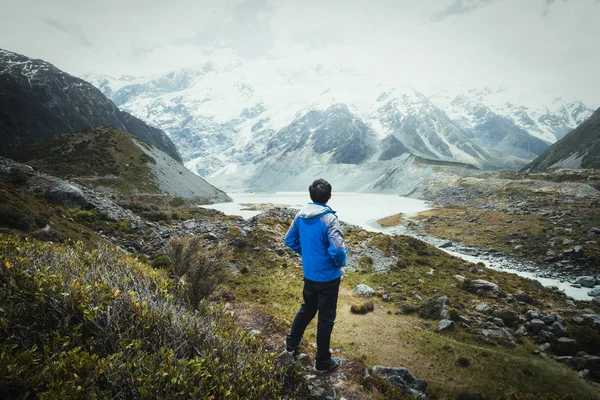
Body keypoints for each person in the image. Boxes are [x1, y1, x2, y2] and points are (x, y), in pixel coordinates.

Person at [284, 178, 346, 373]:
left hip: (310, 275)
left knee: (307, 309)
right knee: (325, 319)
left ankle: (291, 344)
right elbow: (337, 251)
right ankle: (322, 363)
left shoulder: (300, 216)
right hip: (328, 278)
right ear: (329, 196)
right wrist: (339, 264)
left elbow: (289, 239)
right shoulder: (329, 219)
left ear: (311, 195)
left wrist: (308, 254)